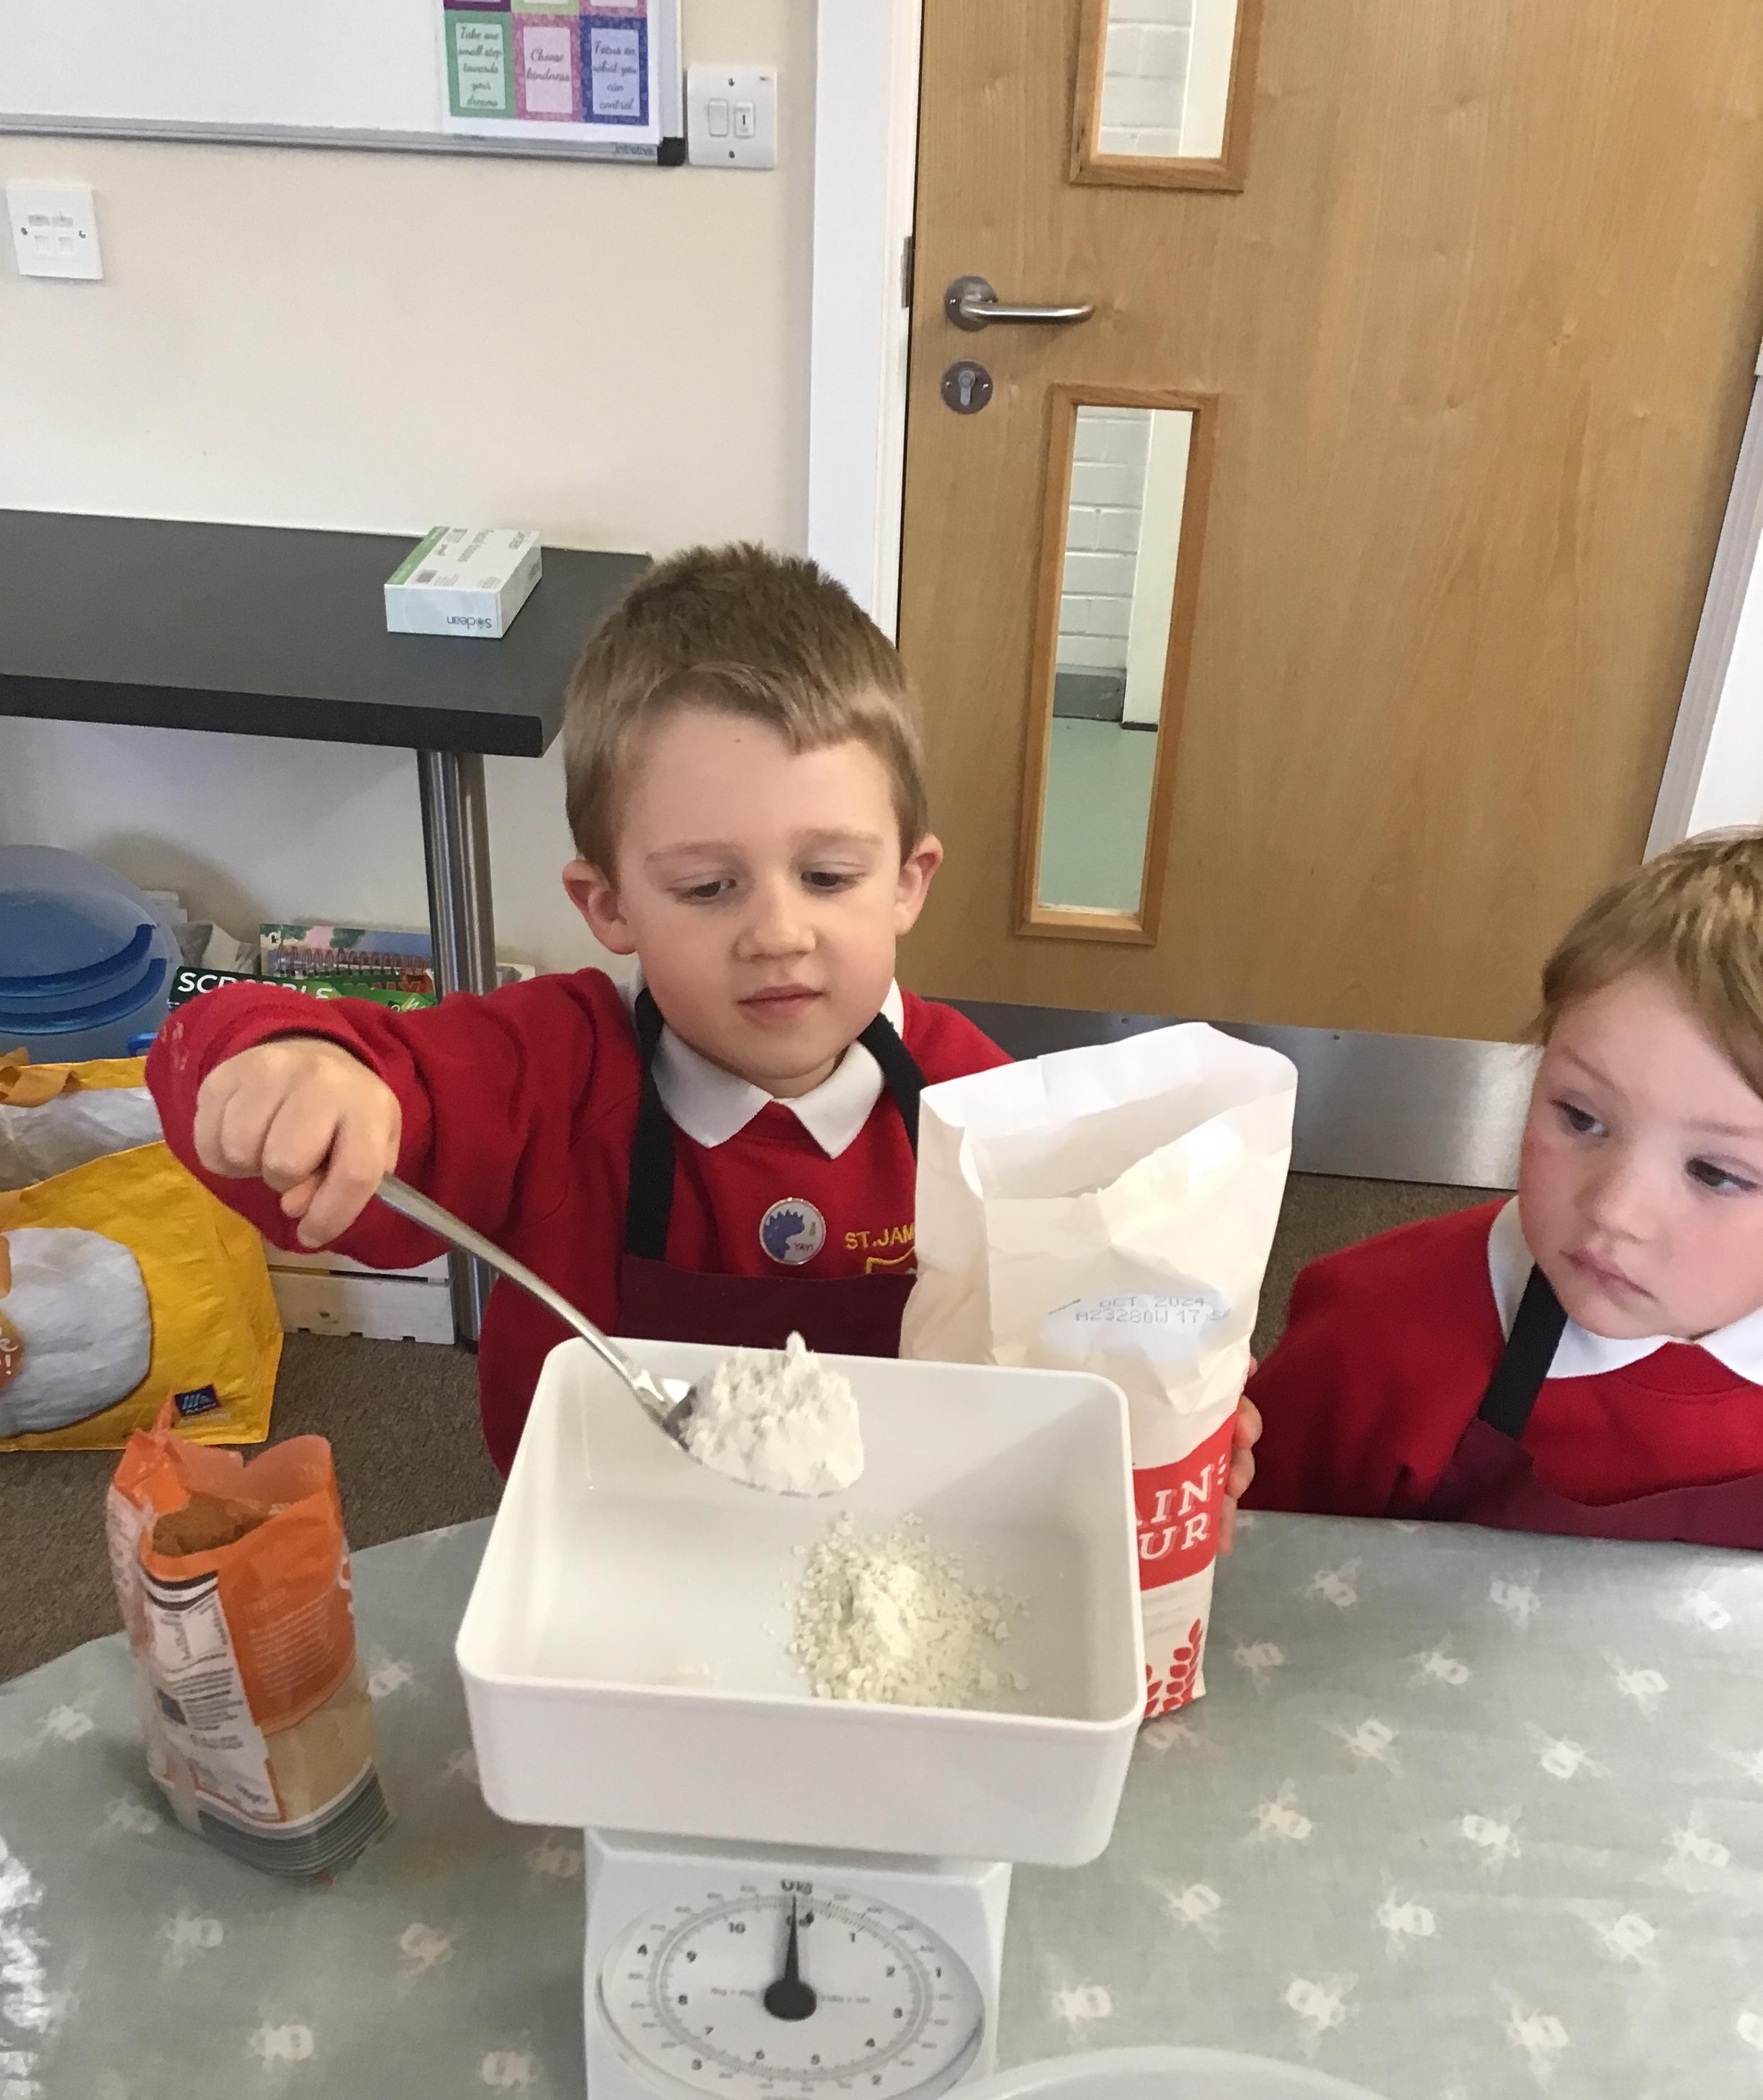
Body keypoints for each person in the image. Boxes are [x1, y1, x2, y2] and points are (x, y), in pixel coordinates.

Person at [149, 542, 1260, 1509]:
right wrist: (290, 1065)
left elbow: (1084, 1314)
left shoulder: (976, 1106)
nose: (778, 933)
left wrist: (1173, 1395)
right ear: (609, 906)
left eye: (828, 875)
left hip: (895, 1545)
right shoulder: (548, 1071)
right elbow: (287, 1069)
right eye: (708, 888)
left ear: (908, 882)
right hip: (605, 1541)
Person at [1247, 831, 1763, 1547]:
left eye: (1715, 1173)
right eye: (1580, 1117)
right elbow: (1244, 1560)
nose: (1613, 1210)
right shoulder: (1375, 1335)